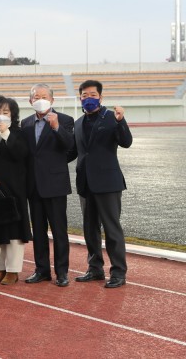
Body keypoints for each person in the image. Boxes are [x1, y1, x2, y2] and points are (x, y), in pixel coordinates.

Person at [72, 80, 133, 288]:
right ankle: (95, 268)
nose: (88, 98)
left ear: (100, 97)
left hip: (108, 183)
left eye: (92, 94)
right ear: (80, 97)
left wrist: (121, 121)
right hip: (85, 183)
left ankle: (118, 272)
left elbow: (126, 142)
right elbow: (73, 152)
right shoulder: (78, 122)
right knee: (90, 229)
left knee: (112, 228)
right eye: (85, 95)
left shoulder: (111, 118)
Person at [21, 83, 75, 287]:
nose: (40, 99)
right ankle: (41, 270)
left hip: (55, 185)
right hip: (33, 186)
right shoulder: (25, 123)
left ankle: (62, 272)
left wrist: (57, 128)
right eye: (36, 97)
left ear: (52, 100)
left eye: (44, 96)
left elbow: (69, 146)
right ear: (30, 101)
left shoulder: (65, 120)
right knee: (39, 232)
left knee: (59, 231)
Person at [0, 96, 32, 285]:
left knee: (14, 232)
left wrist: (6, 134)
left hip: (15, 188)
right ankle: (1, 268)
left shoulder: (20, 133)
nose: (1, 116)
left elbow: (21, 154)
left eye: (5, 113)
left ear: (13, 115)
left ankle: (13, 271)